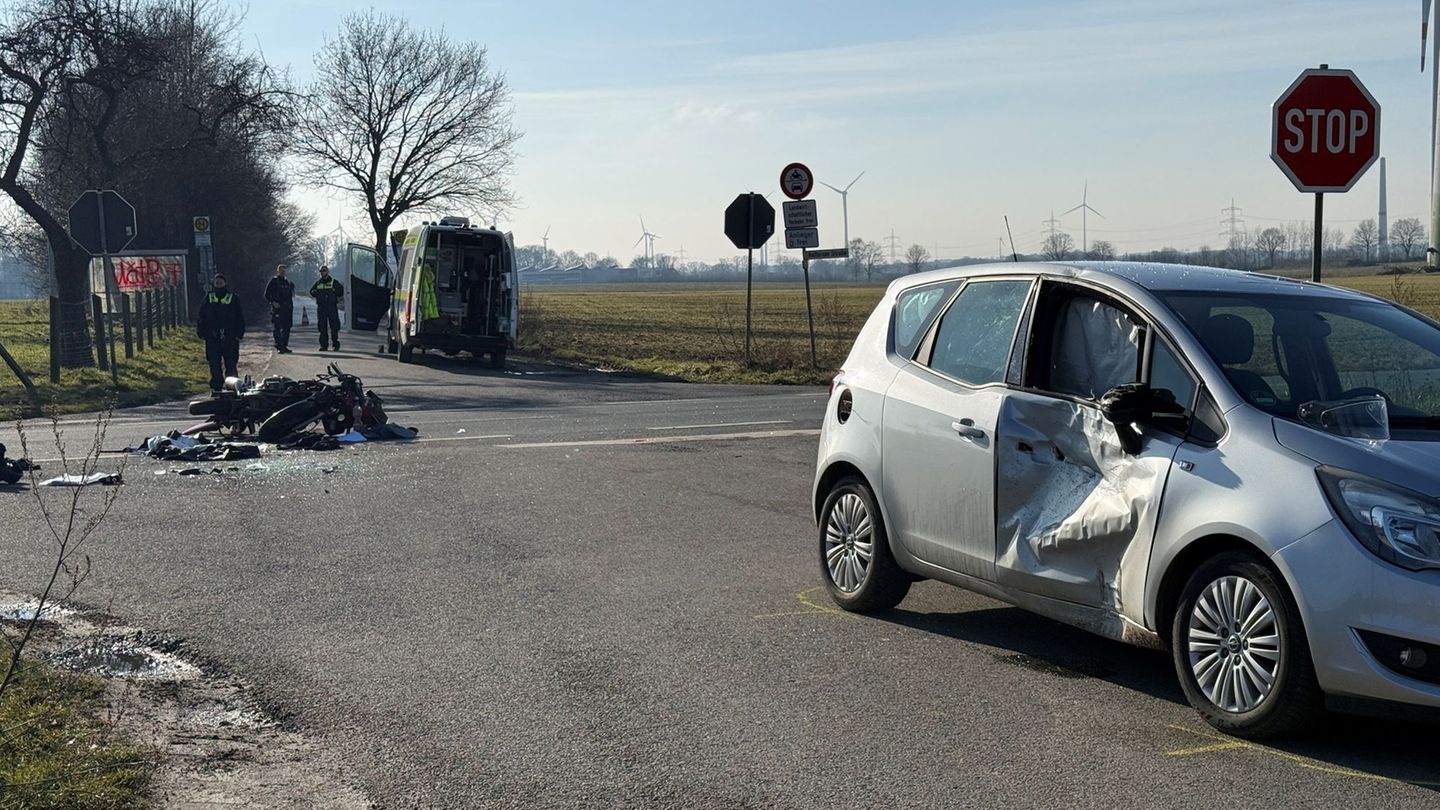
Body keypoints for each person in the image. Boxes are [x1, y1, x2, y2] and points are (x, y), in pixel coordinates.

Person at [196, 272, 244, 392]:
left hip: (230, 335)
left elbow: (239, 317)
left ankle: (232, 385)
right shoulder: (209, 297)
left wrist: (239, 333)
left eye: (221, 282)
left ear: (225, 283)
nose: (218, 284)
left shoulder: (233, 298)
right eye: (217, 283)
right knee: (214, 362)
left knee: (231, 362)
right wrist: (201, 331)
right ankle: (217, 386)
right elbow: (201, 316)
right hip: (212, 336)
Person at [311, 265, 345, 351]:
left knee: (334, 326)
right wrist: (315, 293)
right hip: (322, 308)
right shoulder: (318, 283)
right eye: (321, 271)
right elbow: (311, 291)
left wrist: (334, 292)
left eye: (324, 270)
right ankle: (324, 345)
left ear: (327, 272)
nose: (322, 272)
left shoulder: (333, 282)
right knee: (322, 327)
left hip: (331, 307)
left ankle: (335, 344)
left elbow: (341, 291)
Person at [264, 264, 295, 353]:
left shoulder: (287, 282)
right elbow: (266, 295)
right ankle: (279, 346)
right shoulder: (274, 281)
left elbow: (290, 296)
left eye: (284, 270)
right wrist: (273, 302)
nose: (283, 272)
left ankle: (284, 346)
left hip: (287, 309)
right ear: (278, 271)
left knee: (287, 328)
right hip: (278, 309)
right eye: (281, 270)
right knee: (277, 328)